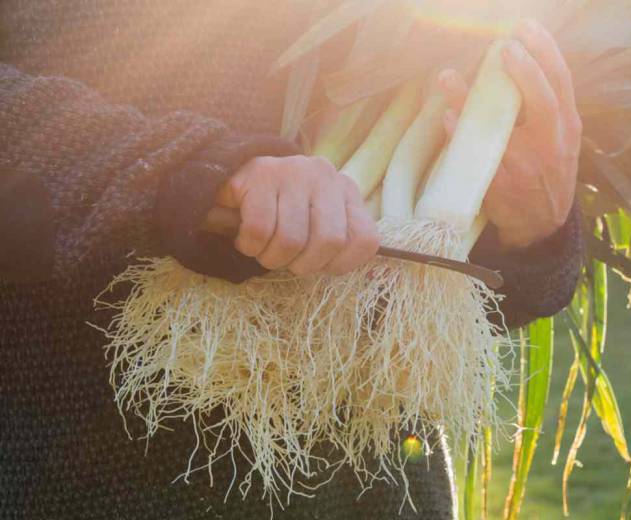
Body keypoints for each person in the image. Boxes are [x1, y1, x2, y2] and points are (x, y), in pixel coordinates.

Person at [0, 2, 583, 518]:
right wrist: (196, 170)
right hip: (68, 471)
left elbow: (426, 320)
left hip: (378, 487)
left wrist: (534, 233)